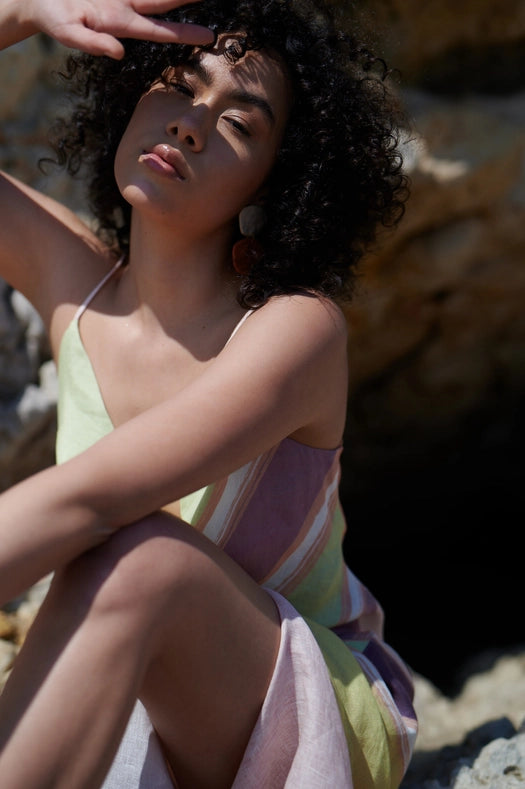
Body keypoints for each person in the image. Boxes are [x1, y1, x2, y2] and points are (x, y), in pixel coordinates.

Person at [0, 0, 417, 786]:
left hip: (296, 707)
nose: (190, 124)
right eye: (178, 84)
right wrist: (20, 11)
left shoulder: (295, 328)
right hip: (116, 681)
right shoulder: (76, 289)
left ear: (276, 183)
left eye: (237, 124)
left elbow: (90, 502)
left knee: (139, 555)